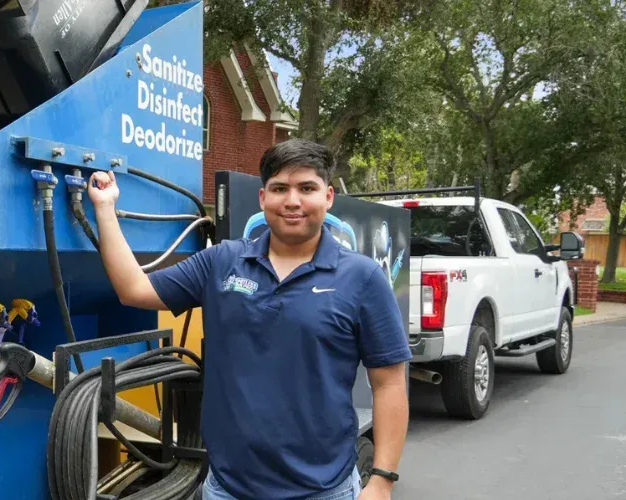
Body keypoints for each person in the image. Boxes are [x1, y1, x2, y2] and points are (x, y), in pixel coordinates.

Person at [87, 139, 411, 500]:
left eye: (307, 188)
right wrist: (104, 209)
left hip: (324, 490)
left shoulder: (363, 278)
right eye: (279, 188)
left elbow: (390, 385)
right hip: (228, 489)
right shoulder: (221, 262)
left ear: (328, 197)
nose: (292, 200)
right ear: (262, 198)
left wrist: (382, 480)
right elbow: (134, 289)